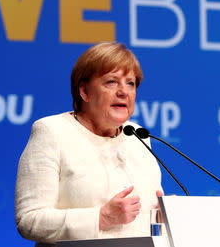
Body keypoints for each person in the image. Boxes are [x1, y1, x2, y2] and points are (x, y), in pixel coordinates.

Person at [15, 43, 163, 245]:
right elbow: (29, 220)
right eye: (111, 82)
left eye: (131, 83)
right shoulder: (52, 132)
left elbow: (145, 215)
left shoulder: (138, 135)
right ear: (84, 91)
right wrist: (101, 218)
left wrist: (164, 214)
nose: (123, 92)